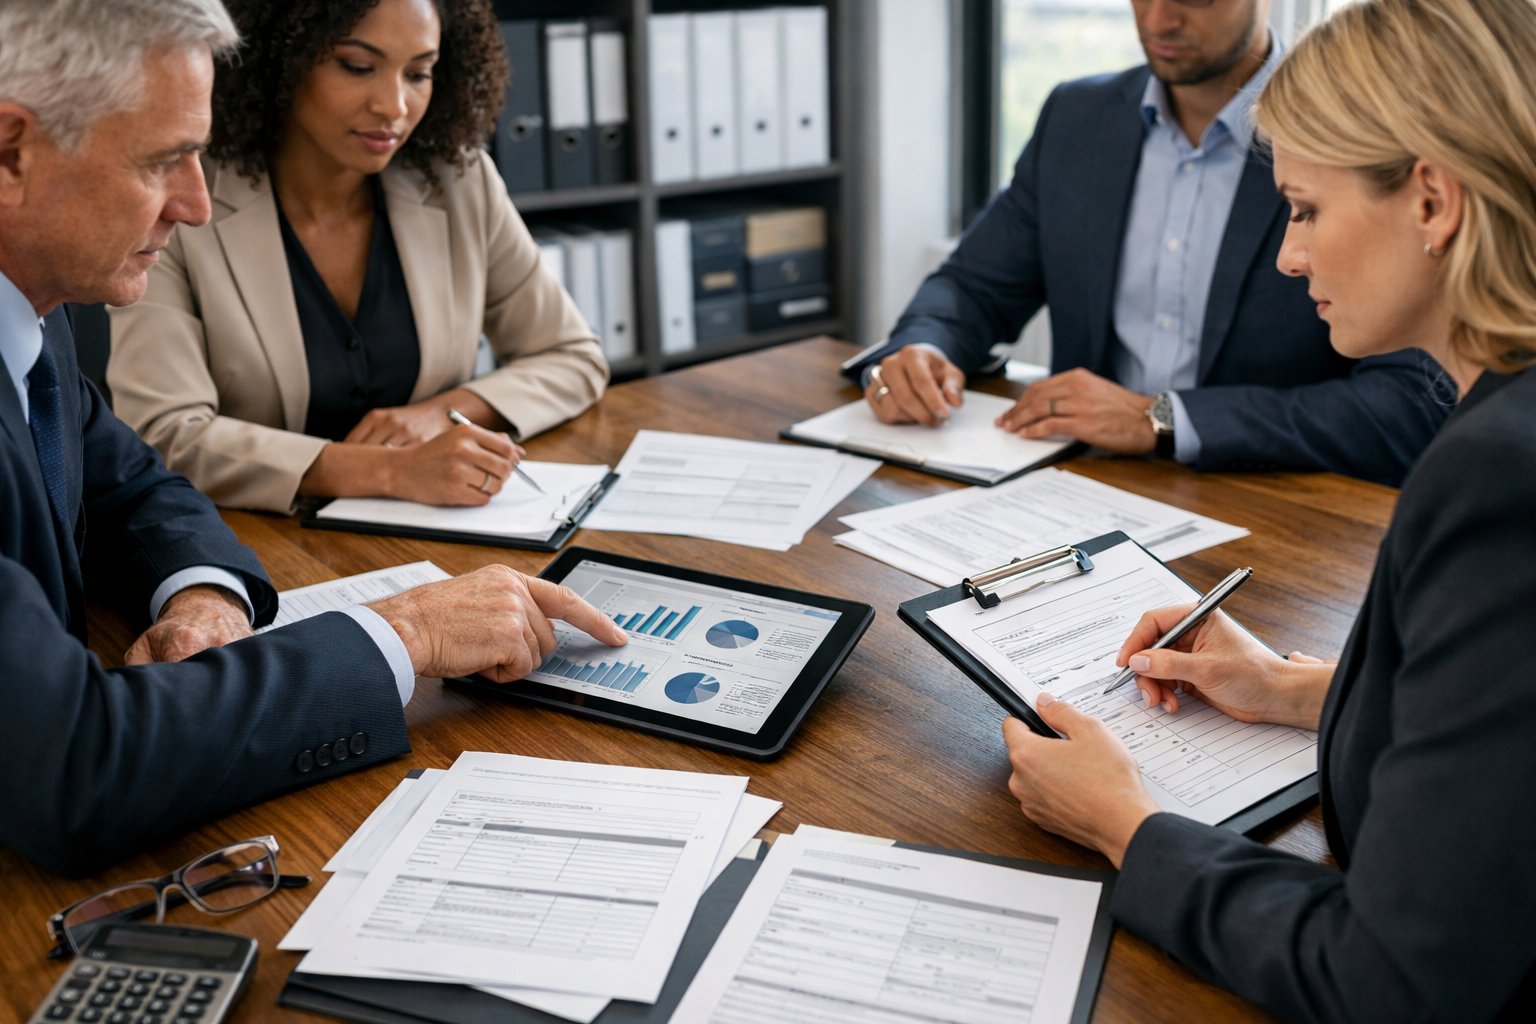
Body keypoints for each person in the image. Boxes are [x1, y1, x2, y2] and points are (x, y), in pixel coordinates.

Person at [0, 0, 626, 876]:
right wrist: (405, 632)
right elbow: (77, 769)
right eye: (162, 159)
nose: (194, 200)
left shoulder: (32, 315)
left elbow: (128, 482)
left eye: (421, 70)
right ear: (10, 152)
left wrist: (203, 596)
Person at [1001, 0, 1536, 1018]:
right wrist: (1301, 690)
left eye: (1305, 209)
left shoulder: (1499, 477)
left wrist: (1127, 825)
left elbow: (1390, 978)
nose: (1290, 257)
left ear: (1432, 201)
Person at [847, 0, 1451, 487]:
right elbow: (973, 286)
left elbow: (1411, 402)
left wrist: (1164, 419)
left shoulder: (1339, 138)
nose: (1159, 19)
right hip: (1070, 486)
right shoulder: (1076, 116)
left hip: (1268, 505)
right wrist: (921, 349)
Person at [106, 0, 606, 514]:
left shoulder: (457, 181)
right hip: (253, 540)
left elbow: (573, 357)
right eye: (358, 67)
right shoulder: (183, 200)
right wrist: (387, 471)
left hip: (433, 530)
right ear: (282, 58)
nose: (393, 106)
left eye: (418, 73)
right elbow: (162, 433)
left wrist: (441, 414)